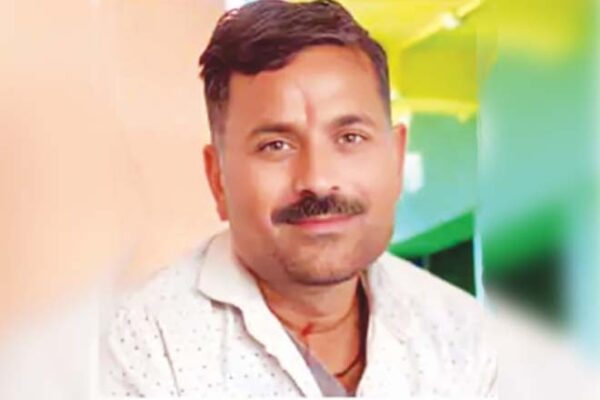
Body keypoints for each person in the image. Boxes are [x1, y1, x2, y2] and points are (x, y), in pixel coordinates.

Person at [101, 0, 497, 397]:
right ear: (218, 177)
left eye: (350, 138)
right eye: (276, 145)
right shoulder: (139, 347)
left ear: (395, 159)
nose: (318, 180)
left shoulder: (462, 333)